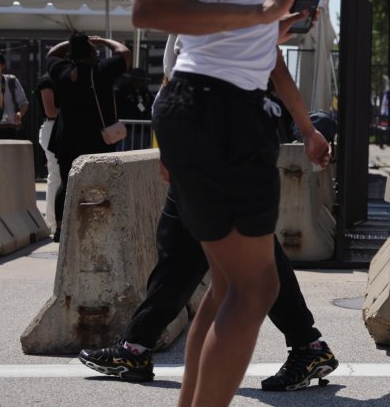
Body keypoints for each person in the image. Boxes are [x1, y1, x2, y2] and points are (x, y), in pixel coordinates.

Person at [131, 0, 329, 407]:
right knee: (255, 291)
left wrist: (274, 22)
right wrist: (258, 11)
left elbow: (251, 41)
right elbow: (149, 4)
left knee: (225, 288)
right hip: (212, 110)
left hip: (223, 108)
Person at [79, 34, 338, 392]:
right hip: (210, 146)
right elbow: (270, 69)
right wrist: (308, 132)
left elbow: (188, 80)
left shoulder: (214, 9)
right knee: (181, 251)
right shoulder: (223, 9)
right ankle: (137, 347)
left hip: (213, 150)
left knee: (248, 259)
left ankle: (307, 345)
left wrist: (309, 131)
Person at [45, 34, 130, 241]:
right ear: (92, 53)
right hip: (96, 139)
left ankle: (60, 228)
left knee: (67, 182)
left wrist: (72, 43)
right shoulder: (101, 71)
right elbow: (125, 53)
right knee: (100, 183)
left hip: (66, 139)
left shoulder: (61, 71)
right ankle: (95, 225)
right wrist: (103, 40)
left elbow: (52, 53)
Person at [36, 60, 62, 234]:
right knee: (55, 176)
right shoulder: (48, 81)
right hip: (53, 127)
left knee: (58, 176)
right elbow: (50, 112)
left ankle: (55, 221)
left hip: (58, 127)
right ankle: (53, 222)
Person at [0, 50, 29, 140]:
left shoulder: (12, 81)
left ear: (3, 66)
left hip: (10, 129)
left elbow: (24, 103)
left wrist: (19, 114)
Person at [115, 68, 155, 149]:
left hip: (142, 130)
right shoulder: (123, 91)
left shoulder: (146, 93)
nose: (143, 83)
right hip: (127, 131)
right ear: (134, 80)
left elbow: (150, 106)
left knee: (141, 154)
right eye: (142, 81)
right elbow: (121, 109)